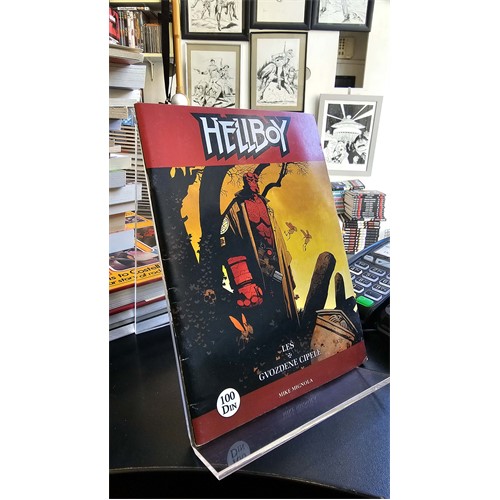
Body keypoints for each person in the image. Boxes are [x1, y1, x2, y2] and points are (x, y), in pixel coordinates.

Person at [219, 170, 299, 325]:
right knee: (263, 310)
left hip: (275, 262)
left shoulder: (266, 206)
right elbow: (229, 244)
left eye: (254, 179)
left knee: (281, 295)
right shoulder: (235, 210)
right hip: (254, 266)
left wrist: (287, 271)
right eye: (249, 179)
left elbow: (278, 239)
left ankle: (287, 327)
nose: (253, 182)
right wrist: (244, 282)